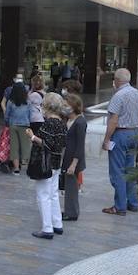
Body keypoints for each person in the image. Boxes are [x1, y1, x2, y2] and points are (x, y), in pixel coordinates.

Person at [101, 68, 138, 216]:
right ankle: (132, 203)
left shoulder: (118, 96)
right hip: (134, 133)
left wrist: (106, 139)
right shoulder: (137, 93)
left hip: (120, 135)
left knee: (117, 172)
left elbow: (113, 120)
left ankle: (119, 206)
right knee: (129, 170)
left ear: (116, 80)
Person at [28, 93, 69, 239]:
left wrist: (32, 137)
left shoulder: (49, 123)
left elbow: (47, 144)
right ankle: (57, 224)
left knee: (43, 195)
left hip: (46, 163)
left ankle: (47, 228)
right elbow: (61, 144)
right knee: (53, 194)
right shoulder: (62, 124)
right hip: (57, 162)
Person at [61, 94, 87, 222]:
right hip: (67, 156)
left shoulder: (80, 122)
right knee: (68, 186)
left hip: (74, 159)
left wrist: (74, 163)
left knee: (72, 187)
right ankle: (68, 210)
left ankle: (72, 213)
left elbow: (80, 145)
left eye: (66, 105)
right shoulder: (68, 120)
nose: (64, 108)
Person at [3, 78, 32, 173]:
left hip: (13, 125)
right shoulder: (28, 102)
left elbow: (7, 115)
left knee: (14, 146)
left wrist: (6, 123)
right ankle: (26, 165)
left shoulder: (10, 102)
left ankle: (16, 168)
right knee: (25, 146)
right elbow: (30, 114)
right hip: (24, 125)